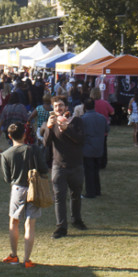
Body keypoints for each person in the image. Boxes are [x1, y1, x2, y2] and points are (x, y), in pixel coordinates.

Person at [0, 121, 48, 268]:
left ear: (9, 136)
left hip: (17, 188)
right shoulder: (33, 149)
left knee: (14, 222)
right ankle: (27, 259)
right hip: (34, 187)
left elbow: (7, 178)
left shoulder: (6, 154)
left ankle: (14, 255)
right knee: (30, 223)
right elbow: (44, 169)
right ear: (25, 134)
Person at [43, 96, 86, 239]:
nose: (58, 108)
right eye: (55, 106)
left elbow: (80, 140)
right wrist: (49, 128)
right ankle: (61, 227)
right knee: (59, 197)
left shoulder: (76, 121)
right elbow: (46, 143)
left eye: (61, 105)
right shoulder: (51, 123)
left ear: (66, 107)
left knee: (76, 194)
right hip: (59, 166)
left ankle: (77, 220)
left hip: (76, 165)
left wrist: (67, 129)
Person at [81, 98, 109, 198]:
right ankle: (97, 190)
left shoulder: (83, 119)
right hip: (99, 148)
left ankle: (90, 192)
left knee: (89, 171)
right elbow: (107, 129)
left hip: (88, 148)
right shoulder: (102, 118)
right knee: (96, 170)